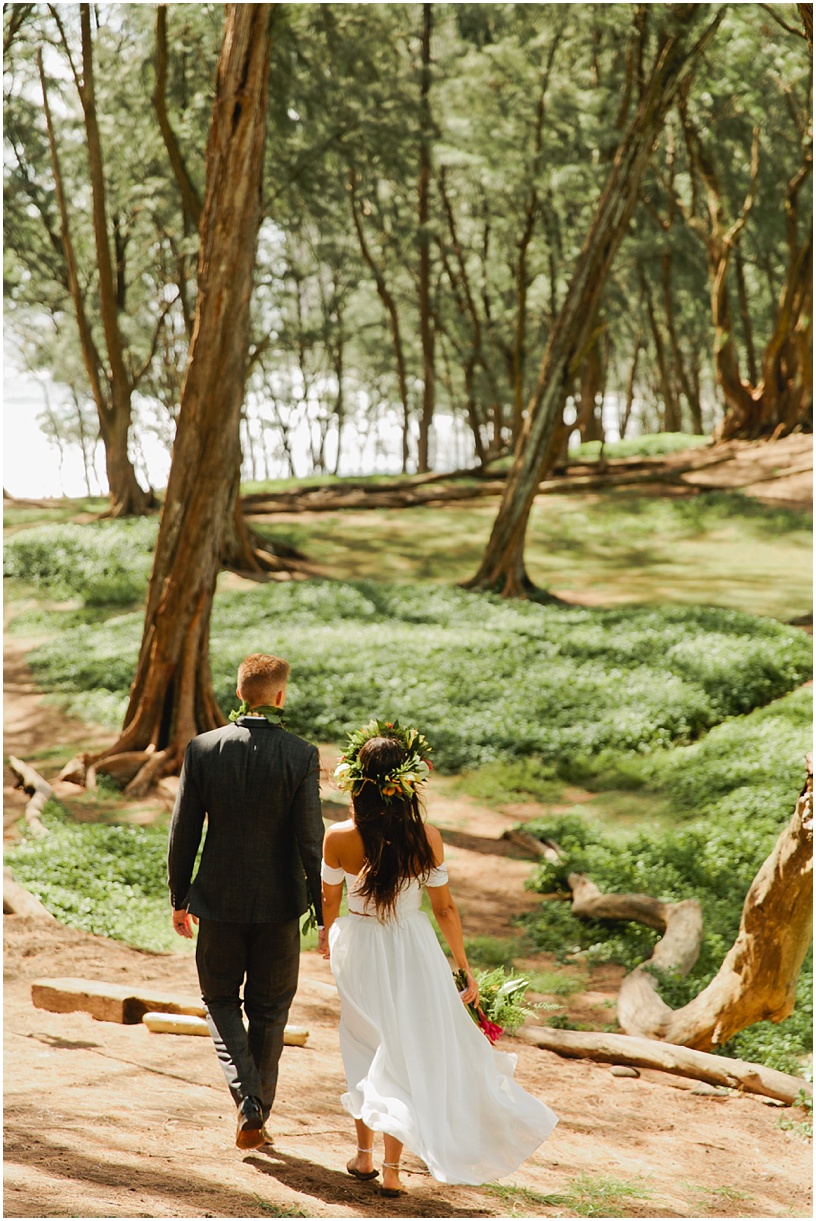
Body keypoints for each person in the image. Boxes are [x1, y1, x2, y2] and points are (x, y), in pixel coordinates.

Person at [321, 721, 557, 1197]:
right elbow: (444, 907)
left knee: (364, 1044)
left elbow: (328, 898)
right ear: (407, 783)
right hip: (414, 946)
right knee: (404, 1047)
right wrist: (462, 966)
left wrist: (327, 936)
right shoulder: (426, 836)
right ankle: (390, 1169)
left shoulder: (338, 836)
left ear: (357, 780)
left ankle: (363, 1157)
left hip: (360, 946)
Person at [168, 653, 324, 1151]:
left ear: (239, 694)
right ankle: (255, 1109)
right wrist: (322, 911)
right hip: (281, 903)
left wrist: (179, 894)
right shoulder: (301, 754)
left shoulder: (203, 748)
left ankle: (248, 1103)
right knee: (271, 1009)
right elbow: (310, 839)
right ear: (280, 696)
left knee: (218, 1001)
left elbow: (183, 830)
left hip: (217, 900)